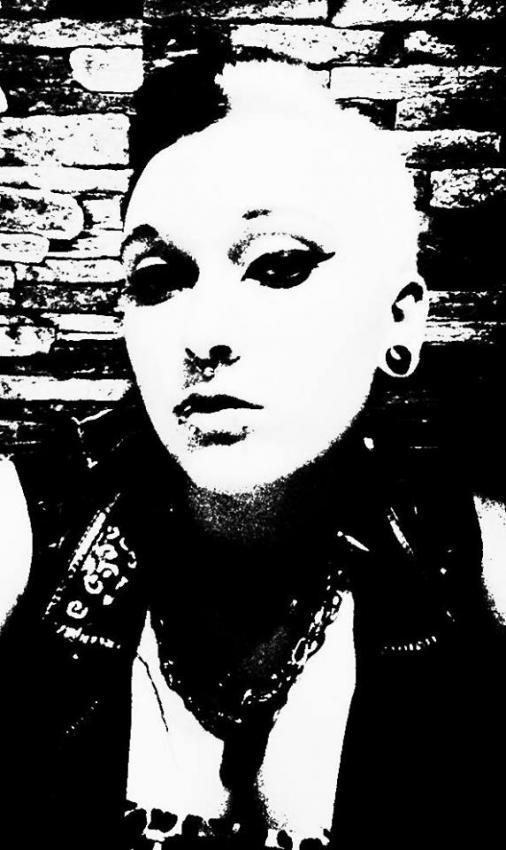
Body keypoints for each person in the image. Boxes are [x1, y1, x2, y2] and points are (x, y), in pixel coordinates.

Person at [0, 54, 505, 850]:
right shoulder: (32, 528)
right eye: (158, 278)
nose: (204, 335)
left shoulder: (469, 563)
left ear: (399, 321)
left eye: (279, 265)